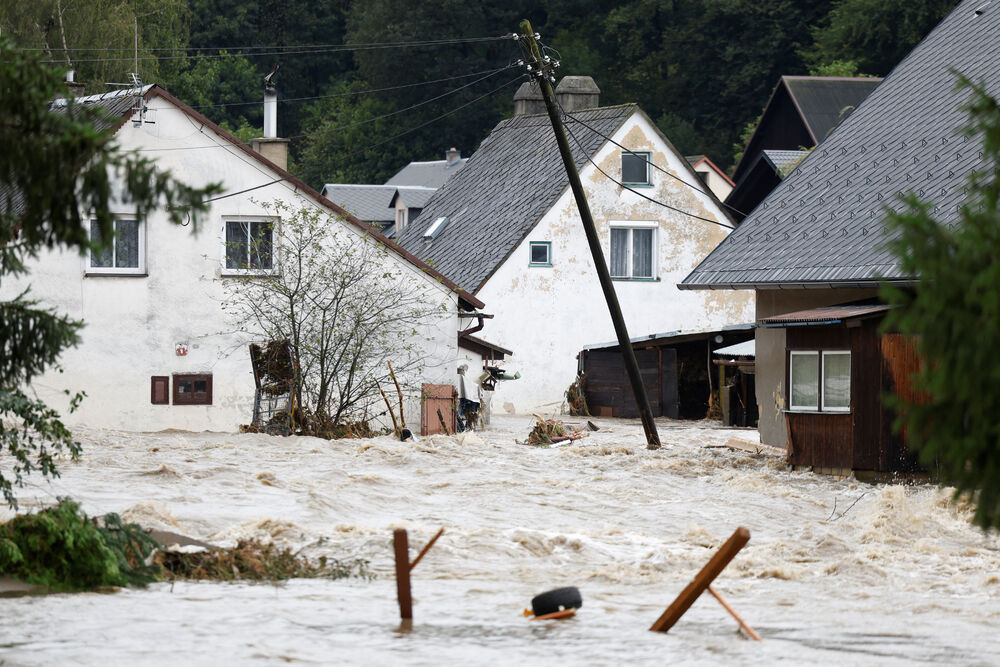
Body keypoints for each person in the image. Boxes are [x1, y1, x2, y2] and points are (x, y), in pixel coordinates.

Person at [456, 363, 480, 432]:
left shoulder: (465, 381)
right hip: (464, 407)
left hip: (465, 408)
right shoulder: (461, 380)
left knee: (463, 419)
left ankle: (464, 428)